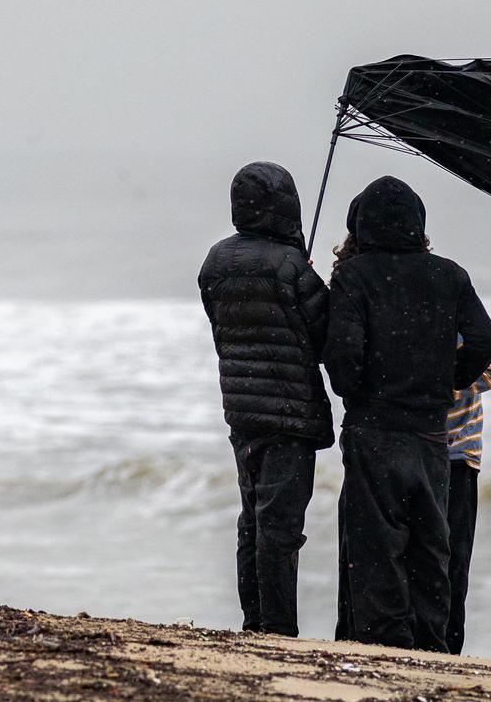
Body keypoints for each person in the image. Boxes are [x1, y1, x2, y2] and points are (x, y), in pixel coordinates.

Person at [324, 175, 491, 652]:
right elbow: (486, 342)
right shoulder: (449, 275)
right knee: (430, 547)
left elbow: (342, 354)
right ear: (417, 223)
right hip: (430, 436)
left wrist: (358, 389)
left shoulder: (355, 276)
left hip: (374, 429)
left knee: (378, 546)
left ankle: (383, 645)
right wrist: (441, 384)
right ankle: (431, 647)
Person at [198, 161, 334, 637]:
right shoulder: (291, 267)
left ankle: (255, 620)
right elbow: (324, 337)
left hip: (242, 409)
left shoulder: (215, 261)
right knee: (279, 524)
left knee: (251, 519)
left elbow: (225, 328)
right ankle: (278, 626)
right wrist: (307, 273)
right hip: (289, 414)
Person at [445, 352, 491, 655]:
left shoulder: (460, 311)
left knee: (453, 559)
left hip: (458, 455)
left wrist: (432, 380)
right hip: (415, 445)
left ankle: (448, 647)